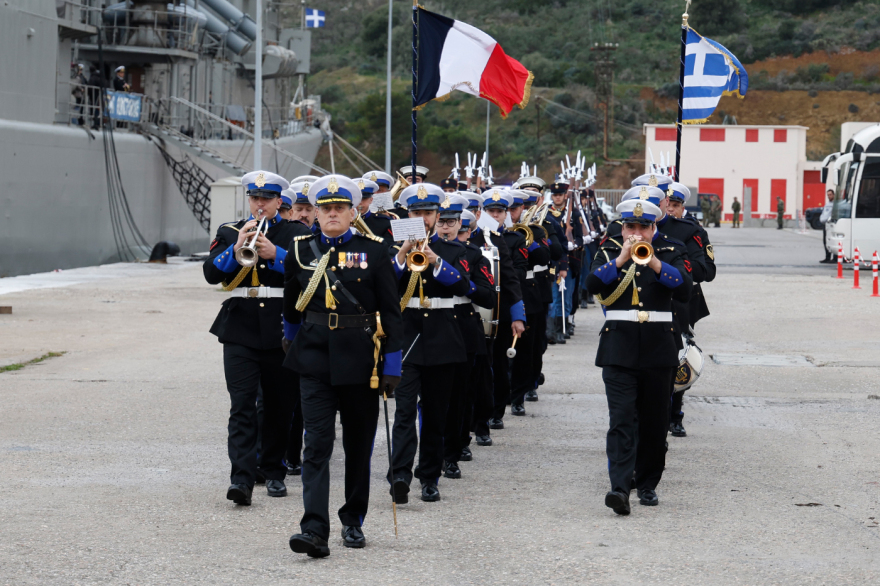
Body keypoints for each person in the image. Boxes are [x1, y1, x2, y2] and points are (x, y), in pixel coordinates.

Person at [283, 174, 403, 557]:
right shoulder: (300, 250)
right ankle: (314, 529)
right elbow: (291, 305)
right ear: (316, 214)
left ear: (353, 213)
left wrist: (393, 364)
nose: (332, 214)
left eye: (339, 208)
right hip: (315, 358)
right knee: (316, 445)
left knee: (357, 446)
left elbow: (391, 312)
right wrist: (290, 341)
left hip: (362, 362)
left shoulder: (376, 250)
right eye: (326, 209)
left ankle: (353, 519)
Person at [203, 171, 311, 507]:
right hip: (240, 326)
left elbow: (312, 271)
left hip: (282, 325)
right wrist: (237, 248)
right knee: (242, 405)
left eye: (266, 198)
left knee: (280, 405)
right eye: (255, 198)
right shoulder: (230, 231)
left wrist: (276, 255)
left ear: (279, 201)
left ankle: (274, 470)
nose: (260, 204)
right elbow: (211, 274)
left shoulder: (296, 233)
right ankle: (241, 477)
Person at [586, 198, 693, 515]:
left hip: (659, 349)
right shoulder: (609, 251)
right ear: (622, 228)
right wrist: (622, 259)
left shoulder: (671, 250)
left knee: (654, 422)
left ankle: (647, 483)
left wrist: (655, 263)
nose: (636, 232)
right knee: (621, 421)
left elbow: (685, 289)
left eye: (643, 227)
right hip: (618, 348)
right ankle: (619, 488)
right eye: (630, 226)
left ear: (653, 227)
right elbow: (592, 283)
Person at [388, 182, 471, 504]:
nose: (422, 219)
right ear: (407, 215)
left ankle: (429, 476)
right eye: (416, 213)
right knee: (404, 412)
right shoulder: (392, 248)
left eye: (428, 213)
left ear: (438, 216)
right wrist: (402, 252)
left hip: (442, 338)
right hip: (406, 339)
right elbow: (384, 285)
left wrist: (436, 261)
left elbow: (463, 286)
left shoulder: (454, 250)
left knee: (436, 415)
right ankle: (399, 475)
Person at [439, 196, 495, 478]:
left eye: (452, 223)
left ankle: (454, 449)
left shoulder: (474, 256)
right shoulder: (421, 250)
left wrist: (463, 283)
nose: (446, 228)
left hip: (462, 325)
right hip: (427, 327)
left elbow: (488, 297)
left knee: (459, 395)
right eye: (441, 222)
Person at [465, 192, 525, 443]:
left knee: (487, 371)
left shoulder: (494, 240)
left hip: (490, 314)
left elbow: (509, 279)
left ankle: (483, 423)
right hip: (454, 316)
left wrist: (517, 315)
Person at [666, 182, 716, 437]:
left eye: (675, 206)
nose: (670, 210)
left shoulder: (693, 230)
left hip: (681, 301)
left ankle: (675, 414)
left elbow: (708, 271)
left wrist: (680, 263)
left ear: (682, 206)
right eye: (667, 205)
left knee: (680, 356)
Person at [481, 189, 530, 428]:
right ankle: (478, 416)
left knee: (500, 364)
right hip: (477, 309)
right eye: (490, 211)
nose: (495, 215)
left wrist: (517, 315)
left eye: (499, 212)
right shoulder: (475, 238)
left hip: (501, 309)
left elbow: (514, 277)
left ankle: (496, 412)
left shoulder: (508, 239)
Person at [355, 178, 395, 247]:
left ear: (371, 200)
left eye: (364, 199)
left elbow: (391, 247)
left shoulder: (384, 222)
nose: (360, 202)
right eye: (357, 199)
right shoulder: (343, 222)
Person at [819, 189, 836, 263]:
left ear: (834, 195)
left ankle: (835, 258)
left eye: (830, 195)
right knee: (826, 241)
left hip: (831, 225)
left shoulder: (835, 204)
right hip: (825, 224)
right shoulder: (827, 204)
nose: (829, 196)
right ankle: (827, 257)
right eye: (828, 195)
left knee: (833, 241)